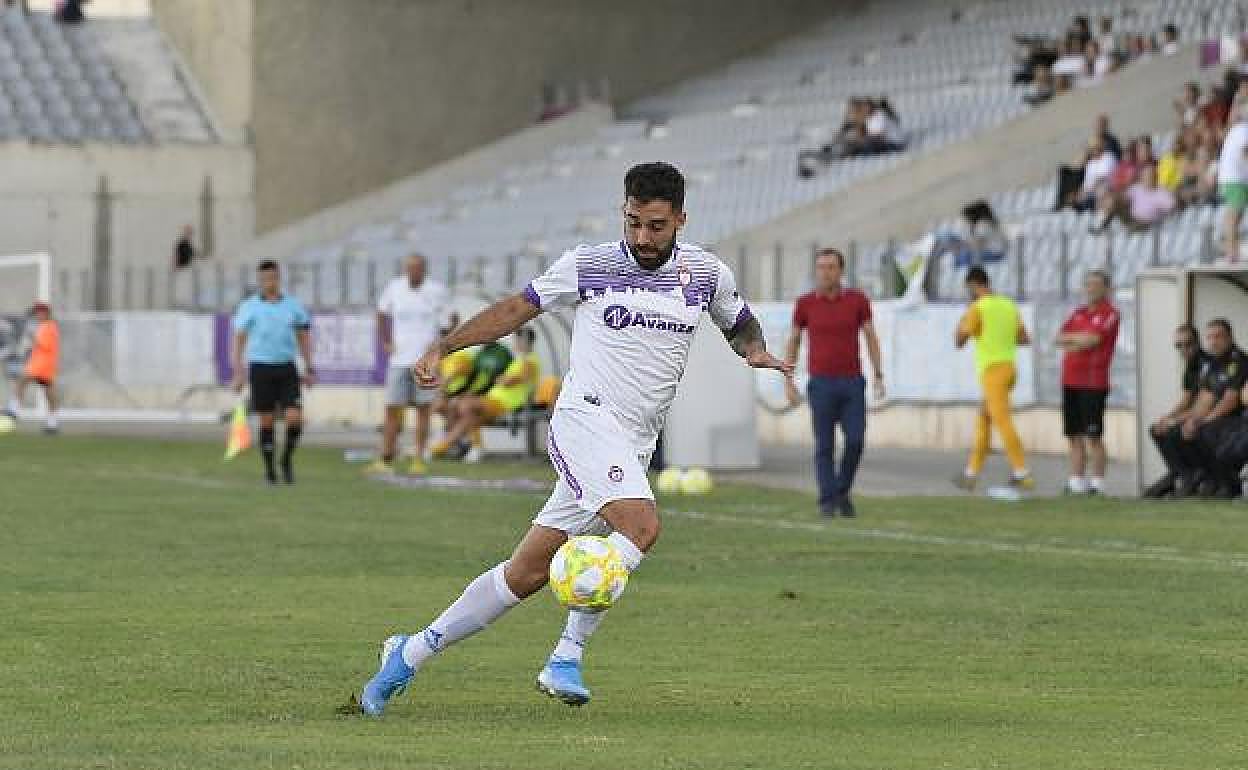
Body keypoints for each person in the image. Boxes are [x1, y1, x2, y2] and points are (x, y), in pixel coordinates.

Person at [351, 161, 791, 716]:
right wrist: (446, 346)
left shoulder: (705, 274)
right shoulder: (590, 264)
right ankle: (565, 656)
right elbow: (517, 308)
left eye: (656, 226)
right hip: (585, 421)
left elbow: (738, 320)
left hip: (634, 442)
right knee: (641, 526)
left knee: (526, 573)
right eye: (633, 222)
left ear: (681, 218)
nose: (642, 237)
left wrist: (753, 350)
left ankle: (408, 653)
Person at [784, 247, 884, 518]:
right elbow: (794, 340)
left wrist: (878, 374)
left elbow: (871, 337)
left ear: (841, 271)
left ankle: (841, 491)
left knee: (855, 441)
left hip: (852, 383)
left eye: (830, 267)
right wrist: (788, 380)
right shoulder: (805, 304)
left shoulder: (857, 300)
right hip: (821, 384)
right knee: (824, 446)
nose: (825, 273)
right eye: (820, 267)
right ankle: (828, 501)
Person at [230, 260, 315, 485]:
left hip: (287, 367)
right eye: (265, 279)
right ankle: (270, 471)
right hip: (261, 368)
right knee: (266, 421)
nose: (269, 283)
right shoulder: (249, 307)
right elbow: (239, 340)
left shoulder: (293, 306)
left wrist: (309, 367)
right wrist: (238, 372)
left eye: (273, 278)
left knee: (294, 418)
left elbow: (304, 337)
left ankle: (286, 459)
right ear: (260, 281)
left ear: (279, 279)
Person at [366, 253, 448, 476]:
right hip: (399, 360)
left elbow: (449, 320)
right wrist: (385, 341)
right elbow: (381, 313)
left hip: (425, 361)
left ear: (424, 269)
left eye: (417, 268)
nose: (413, 272)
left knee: (423, 410)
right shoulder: (395, 288)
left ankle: (419, 458)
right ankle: (386, 457)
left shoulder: (436, 291)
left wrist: (440, 346)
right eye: (409, 268)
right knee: (392, 409)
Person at [952, 267, 1033, 491]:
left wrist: (964, 322)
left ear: (972, 285)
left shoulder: (977, 308)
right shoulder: (1008, 305)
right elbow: (1024, 339)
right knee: (984, 418)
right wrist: (1000, 337)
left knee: (1002, 420)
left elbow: (959, 341)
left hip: (992, 370)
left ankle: (1022, 471)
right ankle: (971, 474)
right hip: (1009, 367)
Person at [1150, 320, 1247, 498]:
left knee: (1201, 430)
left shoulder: (1239, 360)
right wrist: (1176, 420)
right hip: (1218, 419)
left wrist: (1201, 421)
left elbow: (1230, 402)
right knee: (1172, 430)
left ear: (1230, 337)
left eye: (1218, 337)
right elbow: (1202, 404)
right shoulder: (1213, 365)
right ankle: (1188, 476)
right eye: (1209, 337)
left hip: (1236, 420)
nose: (1213, 342)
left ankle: (1219, 481)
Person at [436, 327, 541, 464]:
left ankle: (444, 447)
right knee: (467, 412)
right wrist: (503, 379)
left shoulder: (529, 361)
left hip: (507, 402)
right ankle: (469, 447)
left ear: (525, 341)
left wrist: (503, 379)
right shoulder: (520, 360)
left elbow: (511, 380)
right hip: (494, 399)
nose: (515, 343)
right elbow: (503, 378)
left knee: (466, 406)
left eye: (517, 340)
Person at [1056, 270, 1120, 494]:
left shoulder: (1110, 314)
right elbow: (1059, 338)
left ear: (1106, 289)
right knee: (1073, 434)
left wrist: (1076, 341)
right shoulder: (1078, 313)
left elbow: (1094, 340)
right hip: (1070, 380)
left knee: (1094, 435)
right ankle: (1076, 482)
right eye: (1087, 284)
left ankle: (1098, 483)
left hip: (1093, 382)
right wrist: (1079, 340)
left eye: (1095, 284)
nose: (1090, 289)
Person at [1143, 324, 1210, 497]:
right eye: (1178, 345)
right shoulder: (1190, 366)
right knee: (1156, 429)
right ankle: (1177, 472)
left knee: (1174, 431)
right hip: (1195, 413)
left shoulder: (1207, 365)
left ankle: (1189, 475)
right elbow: (1186, 400)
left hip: (1209, 415)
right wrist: (1167, 417)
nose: (1183, 349)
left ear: (1197, 342)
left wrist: (1175, 420)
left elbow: (1204, 406)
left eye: (1188, 344)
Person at [7, 302, 60, 434]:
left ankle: (14, 409)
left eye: (39, 312)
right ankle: (52, 423)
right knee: (49, 393)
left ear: (46, 313)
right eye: (36, 312)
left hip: (43, 363)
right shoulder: (43, 326)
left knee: (22, 380)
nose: (37, 315)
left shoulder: (49, 326)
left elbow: (44, 344)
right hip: (40, 362)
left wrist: (32, 335)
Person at [1218, 108, 1248, 262]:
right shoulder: (1244, 130)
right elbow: (1245, 153)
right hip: (1235, 178)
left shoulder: (1236, 130)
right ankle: (1231, 251)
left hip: (1231, 178)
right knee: (1234, 215)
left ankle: (1231, 249)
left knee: (1234, 215)